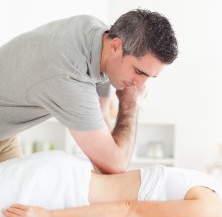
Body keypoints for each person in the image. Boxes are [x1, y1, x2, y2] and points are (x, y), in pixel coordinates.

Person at [0, 9, 178, 172]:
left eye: (149, 77)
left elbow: (102, 115)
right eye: (138, 71)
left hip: (5, 135)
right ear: (116, 46)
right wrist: (130, 105)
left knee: (14, 204)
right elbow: (114, 165)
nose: (140, 85)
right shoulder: (69, 74)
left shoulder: (97, 35)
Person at [0, 151, 222, 217]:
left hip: (62, 172)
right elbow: (131, 210)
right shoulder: (211, 209)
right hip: (56, 189)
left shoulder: (208, 182)